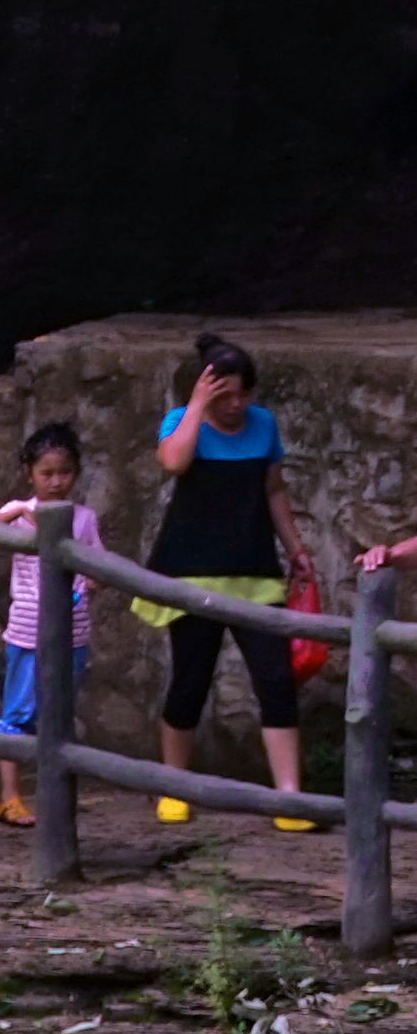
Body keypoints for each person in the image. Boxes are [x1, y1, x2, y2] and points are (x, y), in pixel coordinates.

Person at [140, 333, 312, 831]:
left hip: (254, 570)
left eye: (242, 395)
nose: (235, 406)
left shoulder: (264, 426)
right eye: (224, 396)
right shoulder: (181, 422)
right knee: (191, 680)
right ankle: (173, 787)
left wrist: (297, 550)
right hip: (190, 573)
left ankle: (290, 797)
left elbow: (274, 490)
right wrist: (197, 405)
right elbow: (173, 462)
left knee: (276, 680)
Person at [0, 421, 95, 829]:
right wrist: (13, 512)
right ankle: (10, 796)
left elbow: (97, 567)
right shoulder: (18, 514)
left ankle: (55, 794)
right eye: (46, 473)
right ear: (30, 473)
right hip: (28, 633)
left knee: (60, 713)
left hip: (74, 631)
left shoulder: (84, 519)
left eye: (64, 472)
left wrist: (87, 583)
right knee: (19, 713)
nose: (56, 482)